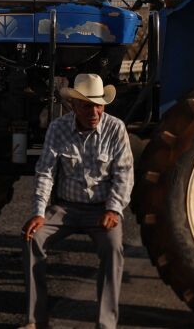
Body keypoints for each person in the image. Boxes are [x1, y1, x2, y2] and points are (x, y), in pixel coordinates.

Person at [22, 73, 133, 329]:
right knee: (32, 237)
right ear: (73, 106)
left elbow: (124, 174)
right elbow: (45, 171)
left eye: (98, 105)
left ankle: (106, 324)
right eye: (87, 105)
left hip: (102, 209)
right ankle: (34, 321)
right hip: (65, 209)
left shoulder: (116, 128)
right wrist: (39, 212)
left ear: (104, 105)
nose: (94, 111)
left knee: (113, 248)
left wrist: (114, 209)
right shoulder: (58, 128)